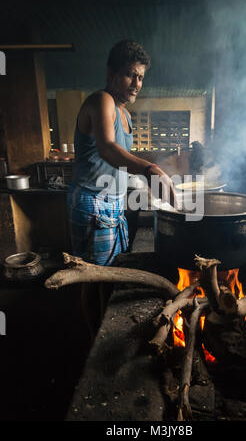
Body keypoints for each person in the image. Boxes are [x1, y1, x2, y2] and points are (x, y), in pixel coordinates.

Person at [67, 40, 176, 339]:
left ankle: (103, 326)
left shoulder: (125, 115)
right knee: (91, 277)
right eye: (130, 74)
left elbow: (123, 160)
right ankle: (94, 339)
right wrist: (150, 170)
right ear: (111, 73)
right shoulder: (101, 101)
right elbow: (107, 149)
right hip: (92, 201)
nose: (137, 83)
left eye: (140, 76)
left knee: (111, 273)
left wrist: (166, 164)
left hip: (114, 203)